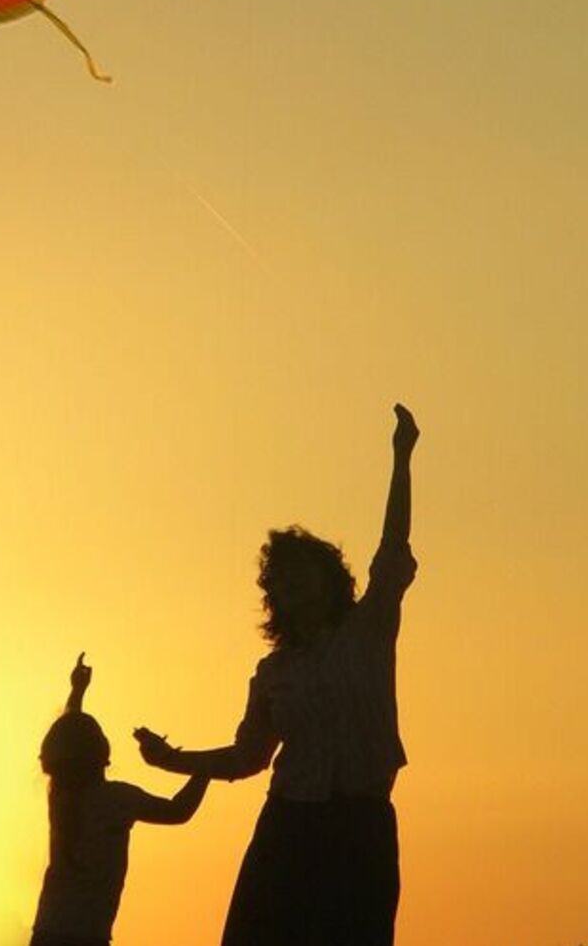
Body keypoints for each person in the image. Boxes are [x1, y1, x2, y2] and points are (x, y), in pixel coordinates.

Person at [137, 403, 419, 946]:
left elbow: (392, 550)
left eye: (300, 574)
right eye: (280, 581)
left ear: (329, 578)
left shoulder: (368, 629)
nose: (290, 586)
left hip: (361, 828)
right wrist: (173, 760)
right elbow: (249, 758)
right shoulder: (273, 672)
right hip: (288, 828)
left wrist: (402, 458)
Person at [32, 654, 209, 946]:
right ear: (103, 752)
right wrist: (204, 768)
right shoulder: (118, 799)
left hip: (48, 931)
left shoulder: (61, 796)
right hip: (89, 936)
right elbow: (179, 810)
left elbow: (70, 739)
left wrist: (77, 690)